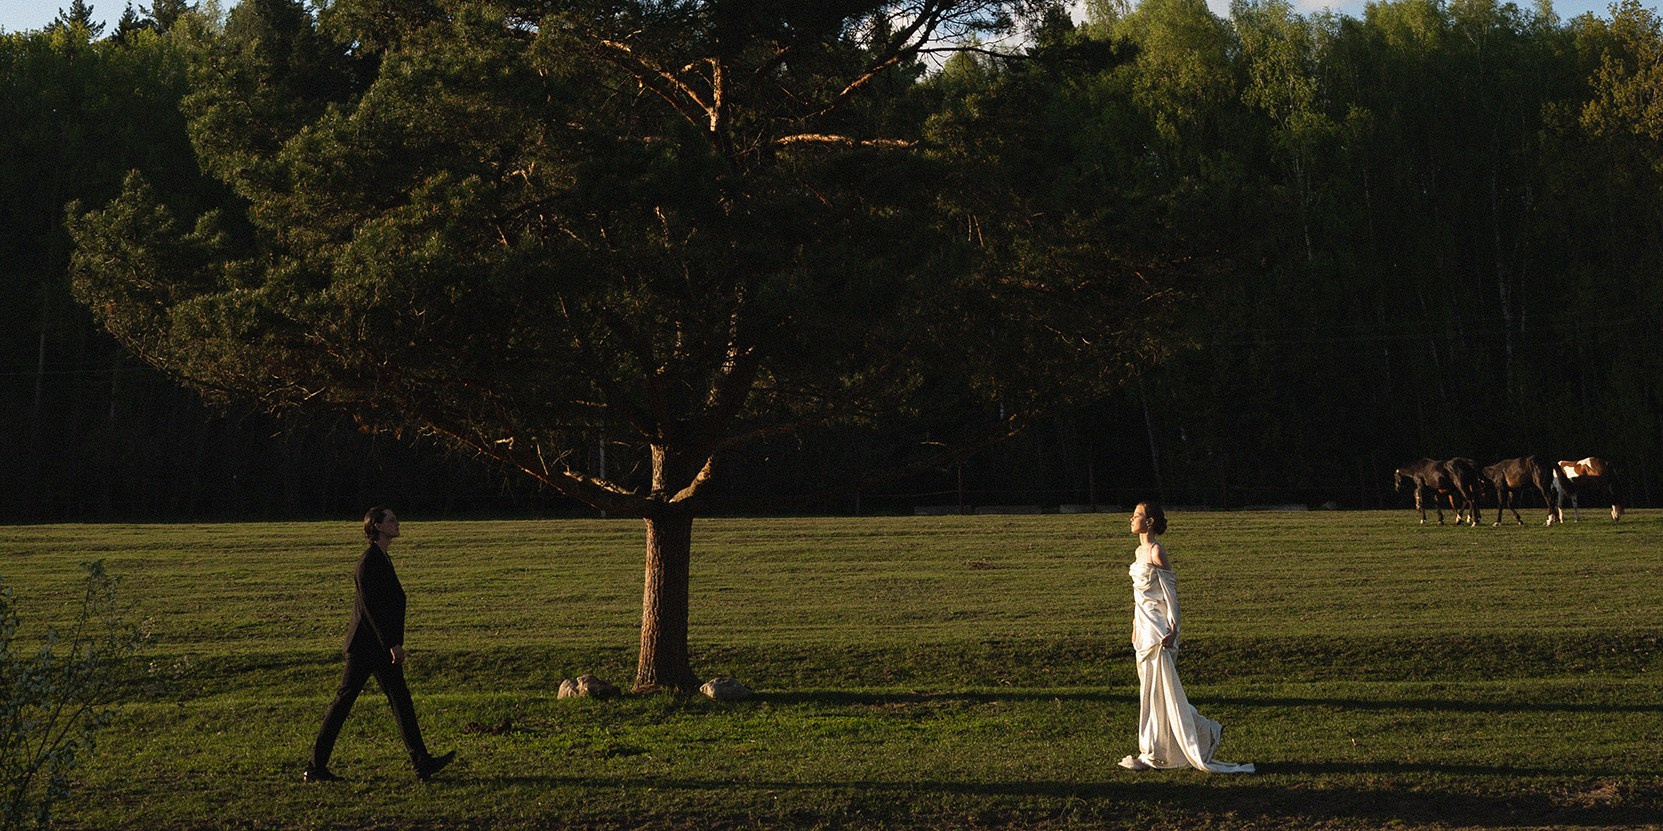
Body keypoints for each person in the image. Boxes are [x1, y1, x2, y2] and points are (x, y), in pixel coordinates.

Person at [304, 507, 455, 782]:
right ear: (377, 526)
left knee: (400, 700)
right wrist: (392, 644)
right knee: (344, 703)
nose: (398, 523)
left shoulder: (382, 558)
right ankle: (315, 767)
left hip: (378, 646)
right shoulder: (368, 562)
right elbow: (371, 609)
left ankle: (421, 762)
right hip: (366, 647)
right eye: (392, 520)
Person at [1118, 502, 1254, 774]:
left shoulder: (1156, 552)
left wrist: (1173, 629)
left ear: (1150, 521)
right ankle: (1197, 734)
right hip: (1143, 630)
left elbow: (1171, 595)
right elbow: (1139, 597)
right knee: (1152, 693)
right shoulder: (1139, 551)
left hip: (1158, 632)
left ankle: (1155, 751)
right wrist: (1134, 624)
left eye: (1137, 515)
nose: (1131, 519)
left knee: (1161, 692)